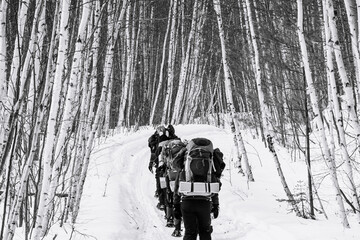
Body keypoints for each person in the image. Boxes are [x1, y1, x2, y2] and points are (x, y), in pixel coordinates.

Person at [172, 139, 221, 240]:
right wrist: (216, 205)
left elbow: (177, 185)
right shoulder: (208, 163)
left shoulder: (185, 164)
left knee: (190, 233)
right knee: (205, 232)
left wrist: (176, 205)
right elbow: (215, 183)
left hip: (187, 202)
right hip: (205, 202)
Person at [148, 125, 168, 210]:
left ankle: (162, 202)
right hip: (171, 165)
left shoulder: (155, 140)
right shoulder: (172, 138)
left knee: (161, 182)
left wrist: (151, 162)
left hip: (161, 165)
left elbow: (153, 153)